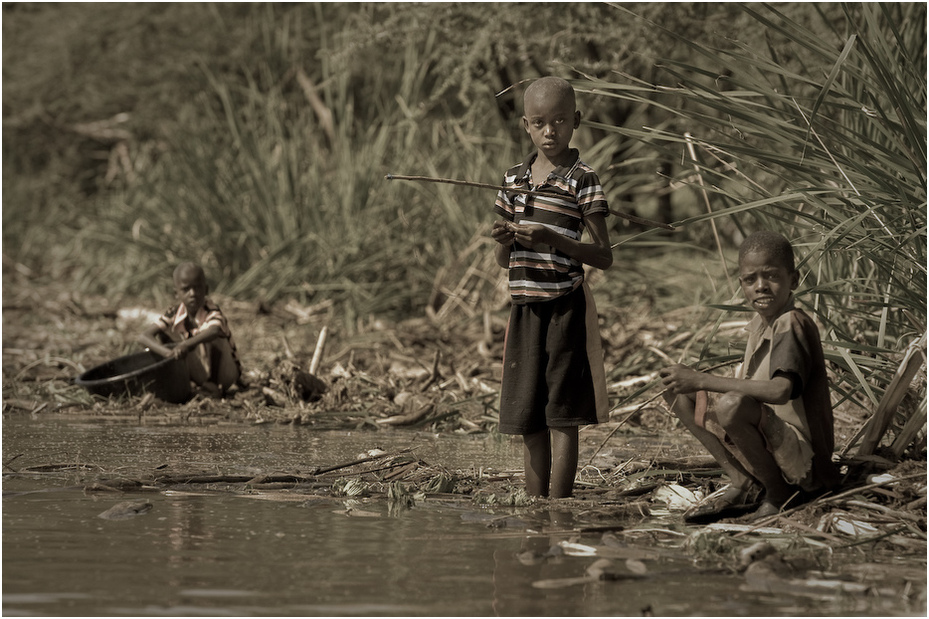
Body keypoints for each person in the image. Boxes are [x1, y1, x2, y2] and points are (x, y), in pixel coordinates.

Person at [660, 230, 841, 522]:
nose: (761, 287)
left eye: (771, 276)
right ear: (741, 284)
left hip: (807, 464)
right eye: (750, 280)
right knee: (676, 391)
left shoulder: (791, 323)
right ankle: (743, 481)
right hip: (778, 447)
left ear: (793, 280)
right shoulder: (760, 324)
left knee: (731, 405)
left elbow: (780, 391)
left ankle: (781, 495)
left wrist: (702, 380)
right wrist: (692, 383)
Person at [490, 76, 613, 499]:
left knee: (562, 413)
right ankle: (535, 505)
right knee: (527, 413)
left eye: (560, 120)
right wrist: (504, 242)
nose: (550, 131)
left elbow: (603, 255)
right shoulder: (512, 180)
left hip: (565, 307)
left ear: (576, 120)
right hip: (524, 308)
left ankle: (559, 507)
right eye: (539, 122)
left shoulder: (583, 180)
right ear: (525, 125)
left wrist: (553, 238)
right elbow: (505, 262)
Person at [139, 262, 241, 397]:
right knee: (165, 333)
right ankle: (186, 382)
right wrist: (168, 354)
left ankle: (214, 386)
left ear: (206, 290)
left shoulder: (211, 310)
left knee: (213, 335)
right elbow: (144, 336)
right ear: (176, 294)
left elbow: (214, 331)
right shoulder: (174, 312)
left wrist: (185, 344)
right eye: (186, 289)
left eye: (197, 288)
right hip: (202, 370)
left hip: (226, 373)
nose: (192, 293)